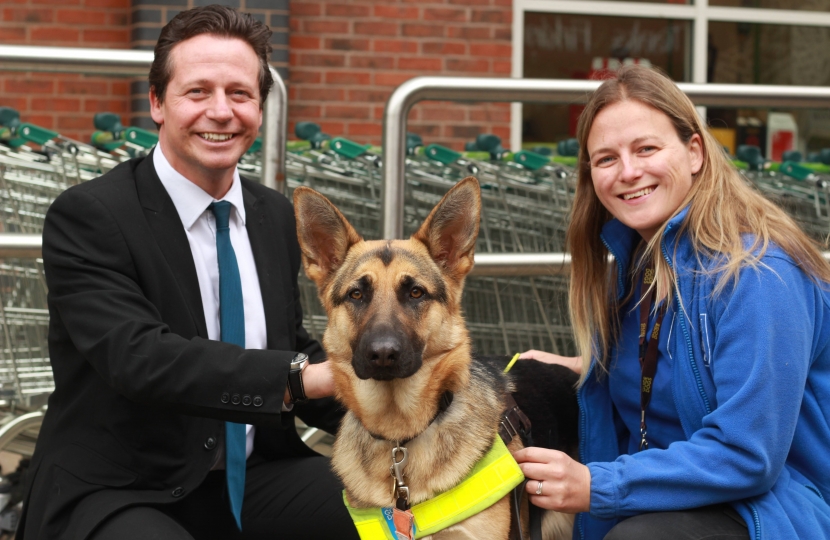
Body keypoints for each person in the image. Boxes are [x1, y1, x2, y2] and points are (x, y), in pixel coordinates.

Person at [18, 6, 359, 540]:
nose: (220, 112)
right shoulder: (90, 215)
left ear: (260, 108)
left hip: (257, 475)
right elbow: (141, 357)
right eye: (197, 92)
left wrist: (404, 411)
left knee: (395, 520)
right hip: (122, 487)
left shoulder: (272, 215)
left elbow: (285, 342)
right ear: (157, 102)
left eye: (240, 94)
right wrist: (299, 378)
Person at [513, 65, 830, 539]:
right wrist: (585, 366)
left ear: (695, 152)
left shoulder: (760, 275)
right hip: (675, 496)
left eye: (646, 148)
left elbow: (749, 453)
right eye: (606, 158)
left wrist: (597, 484)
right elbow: (680, 365)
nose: (629, 171)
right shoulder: (636, 262)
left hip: (776, 509)